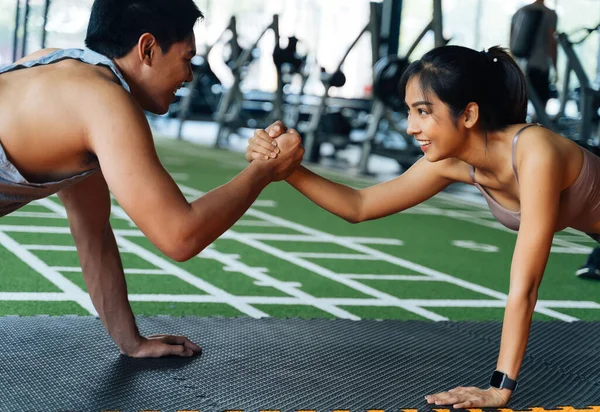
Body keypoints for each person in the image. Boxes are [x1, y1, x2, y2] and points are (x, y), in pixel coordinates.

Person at [246, 45, 600, 407]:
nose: (411, 127)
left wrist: (499, 388)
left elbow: (525, 285)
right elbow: (359, 205)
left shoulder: (534, 151)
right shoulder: (451, 163)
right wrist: (282, 166)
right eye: (410, 111)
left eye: (424, 111)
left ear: (469, 114)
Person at [0, 0, 302, 358]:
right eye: (186, 59)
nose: (189, 77)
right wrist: (264, 170)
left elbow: (91, 228)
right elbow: (180, 236)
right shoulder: (105, 103)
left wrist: (132, 341)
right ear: (147, 48)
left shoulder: (66, 72)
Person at [510, 0, 558, 111]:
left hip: (520, 66)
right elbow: (552, 43)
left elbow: (511, 41)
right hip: (540, 66)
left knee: (521, 103)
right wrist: (555, 67)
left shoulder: (519, 12)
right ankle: (536, 125)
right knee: (541, 106)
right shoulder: (550, 14)